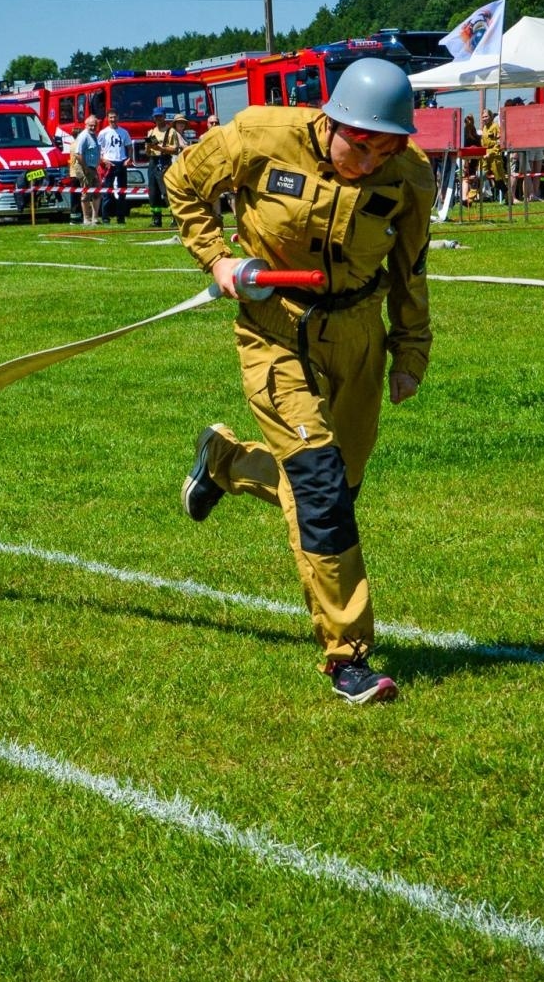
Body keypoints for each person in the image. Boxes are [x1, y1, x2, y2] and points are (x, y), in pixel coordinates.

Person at [163, 57, 433, 705]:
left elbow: (412, 267)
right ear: (333, 119)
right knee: (320, 487)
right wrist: (217, 258)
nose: (368, 163)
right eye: (359, 146)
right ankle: (349, 658)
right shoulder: (259, 134)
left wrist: (411, 352)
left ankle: (225, 463)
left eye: (385, 149)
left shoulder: (410, 178)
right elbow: (182, 182)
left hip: (360, 339)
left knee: (339, 487)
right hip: (275, 334)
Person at [143, 106, 184, 228]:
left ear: (164, 117)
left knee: (166, 192)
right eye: (156, 116)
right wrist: (149, 148)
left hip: (165, 162)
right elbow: (147, 152)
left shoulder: (171, 132)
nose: (158, 118)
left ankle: (175, 218)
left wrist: (161, 148)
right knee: (153, 192)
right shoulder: (151, 132)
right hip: (153, 162)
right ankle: (156, 219)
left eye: (160, 116)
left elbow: (176, 150)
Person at [97, 110, 131, 224]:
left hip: (121, 162)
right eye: (111, 117)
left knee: (122, 192)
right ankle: (105, 217)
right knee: (107, 192)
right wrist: (103, 160)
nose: (113, 119)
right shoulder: (103, 133)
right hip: (108, 163)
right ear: (107, 118)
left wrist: (128, 158)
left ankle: (121, 217)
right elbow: (98, 150)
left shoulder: (124, 132)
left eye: (115, 117)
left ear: (118, 117)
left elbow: (129, 147)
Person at [70, 115, 101, 226]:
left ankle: (95, 218)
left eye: (94, 125)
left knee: (97, 193)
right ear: (85, 125)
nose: (93, 127)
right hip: (85, 168)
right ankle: (86, 219)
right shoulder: (84, 136)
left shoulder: (94, 135)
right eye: (90, 125)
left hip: (93, 168)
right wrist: (85, 168)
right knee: (86, 194)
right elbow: (78, 154)